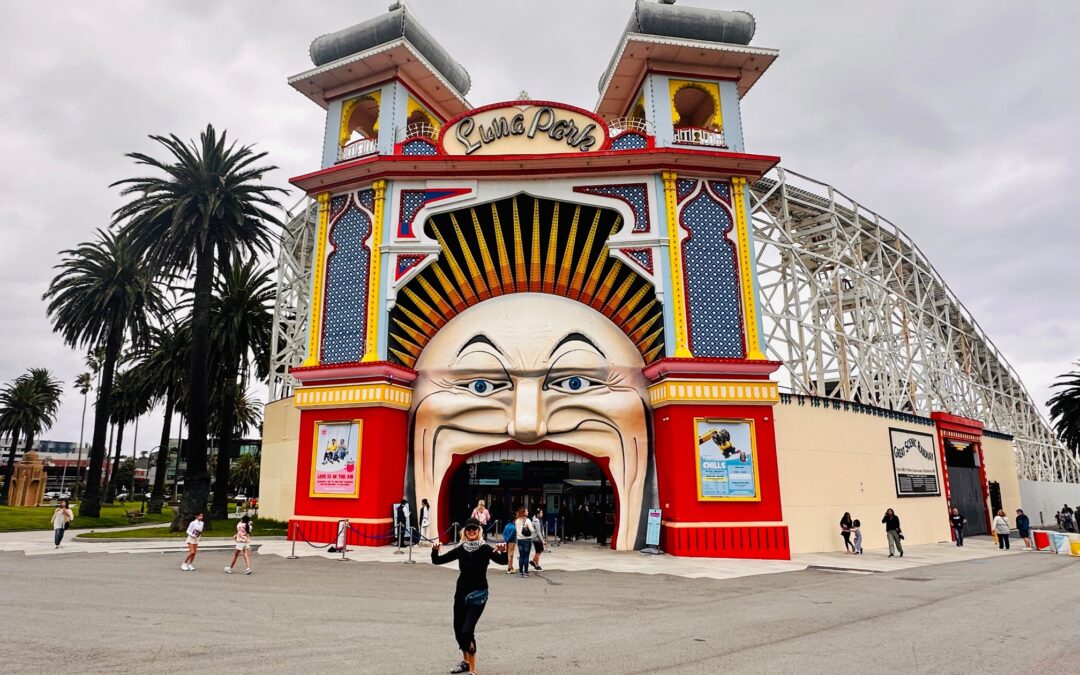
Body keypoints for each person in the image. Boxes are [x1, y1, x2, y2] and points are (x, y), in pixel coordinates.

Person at [431, 518, 508, 675]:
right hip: (461, 593)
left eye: (474, 529)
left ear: (479, 531)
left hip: (478, 594)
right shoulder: (461, 549)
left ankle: (473, 670)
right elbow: (437, 561)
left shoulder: (486, 549)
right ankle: (465, 662)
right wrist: (435, 549)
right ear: (465, 532)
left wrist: (503, 551)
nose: (471, 532)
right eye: (469, 529)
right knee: (458, 630)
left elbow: (503, 561)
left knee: (467, 630)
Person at [514, 507, 537, 577]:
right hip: (527, 540)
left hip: (519, 540)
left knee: (521, 556)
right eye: (526, 511)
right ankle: (526, 572)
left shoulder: (517, 520)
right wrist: (535, 529)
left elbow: (517, 530)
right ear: (523, 512)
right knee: (526, 556)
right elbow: (532, 530)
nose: (528, 512)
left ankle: (520, 572)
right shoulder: (528, 520)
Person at [530, 507, 547, 571]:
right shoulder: (536, 521)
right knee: (538, 551)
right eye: (541, 512)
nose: (542, 513)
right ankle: (536, 566)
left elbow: (542, 529)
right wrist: (542, 540)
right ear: (537, 514)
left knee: (541, 550)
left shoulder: (539, 519)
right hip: (536, 539)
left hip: (539, 538)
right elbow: (538, 531)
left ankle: (533, 561)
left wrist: (543, 537)